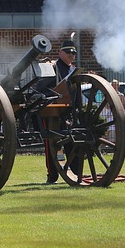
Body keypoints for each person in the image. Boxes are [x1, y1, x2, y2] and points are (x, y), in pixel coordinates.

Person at [44, 35, 79, 184]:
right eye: (69, 53)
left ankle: (76, 170)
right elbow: (42, 89)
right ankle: (52, 174)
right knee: (51, 143)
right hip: (53, 110)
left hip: (70, 110)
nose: (72, 55)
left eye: (74, 53)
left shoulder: (74, 69)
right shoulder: (51, 68)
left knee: (73, 140)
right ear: (60, 53)